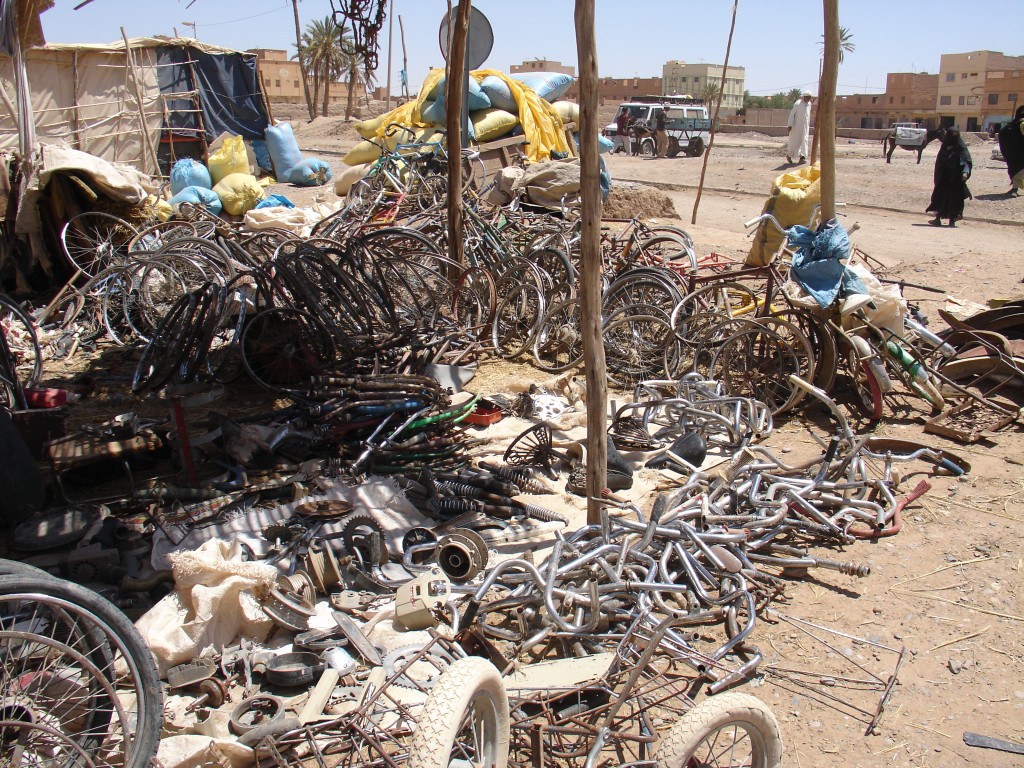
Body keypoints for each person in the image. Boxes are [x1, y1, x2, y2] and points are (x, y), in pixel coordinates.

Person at [926, 126, 972, 227]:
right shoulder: (944, 147)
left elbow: (966, 161)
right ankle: (937, 219)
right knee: (939, 197)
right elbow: (940, 163)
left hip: (956, 179)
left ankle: (952, 220)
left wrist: (965, 172)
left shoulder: (961, 147)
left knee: (955, 199)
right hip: (943, 178)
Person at [997, 105, 1024, 197]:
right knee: (1016, 170)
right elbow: (1003, 137)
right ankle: (1015, 188)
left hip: (1016, 154)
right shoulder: (1011, 127)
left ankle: (1015, 188)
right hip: (1015, 154)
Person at [786, 92, 813, 164]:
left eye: (809, 97)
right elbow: (792, 114)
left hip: (805, 127)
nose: (808, 99)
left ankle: (802, 158)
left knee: (804, 141)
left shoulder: (809, 104)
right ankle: (789, 155)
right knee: (794, 142)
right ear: (804, 97)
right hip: (796, 127)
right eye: (807, 97)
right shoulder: (797, 104)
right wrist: (789, 125)